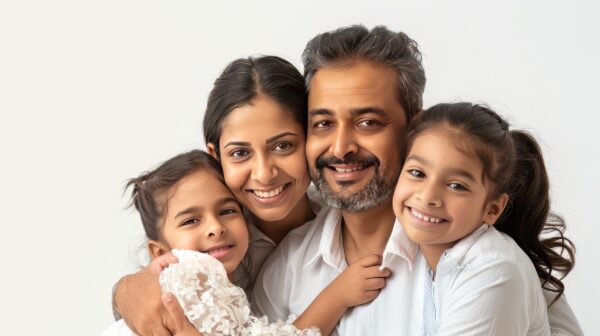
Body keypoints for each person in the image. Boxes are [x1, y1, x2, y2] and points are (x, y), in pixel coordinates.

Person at [251, 25, 583, 335]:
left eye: (367, 122)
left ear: (414, 127)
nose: (340, 149)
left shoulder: (475, 256)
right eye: (323, 124)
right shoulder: (289, 266)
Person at [112, 56, 391, 335]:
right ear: (216, 156)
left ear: (310, 139)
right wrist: (125, 291)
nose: (264, 173)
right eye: (240, 153)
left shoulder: (345, 213)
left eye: (283, 146)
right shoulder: (209, 249)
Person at [102, 149, 387, 335]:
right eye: (191, 221)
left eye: (227, 211)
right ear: (159, 251)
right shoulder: (192, 279)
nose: (215, 228)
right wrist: (336, 297)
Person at [393, 102, 575, 334]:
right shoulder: (427, 254)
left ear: (493, 209)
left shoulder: (493, 269)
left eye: (456, 186)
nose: (428, 197)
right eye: (417, 173)